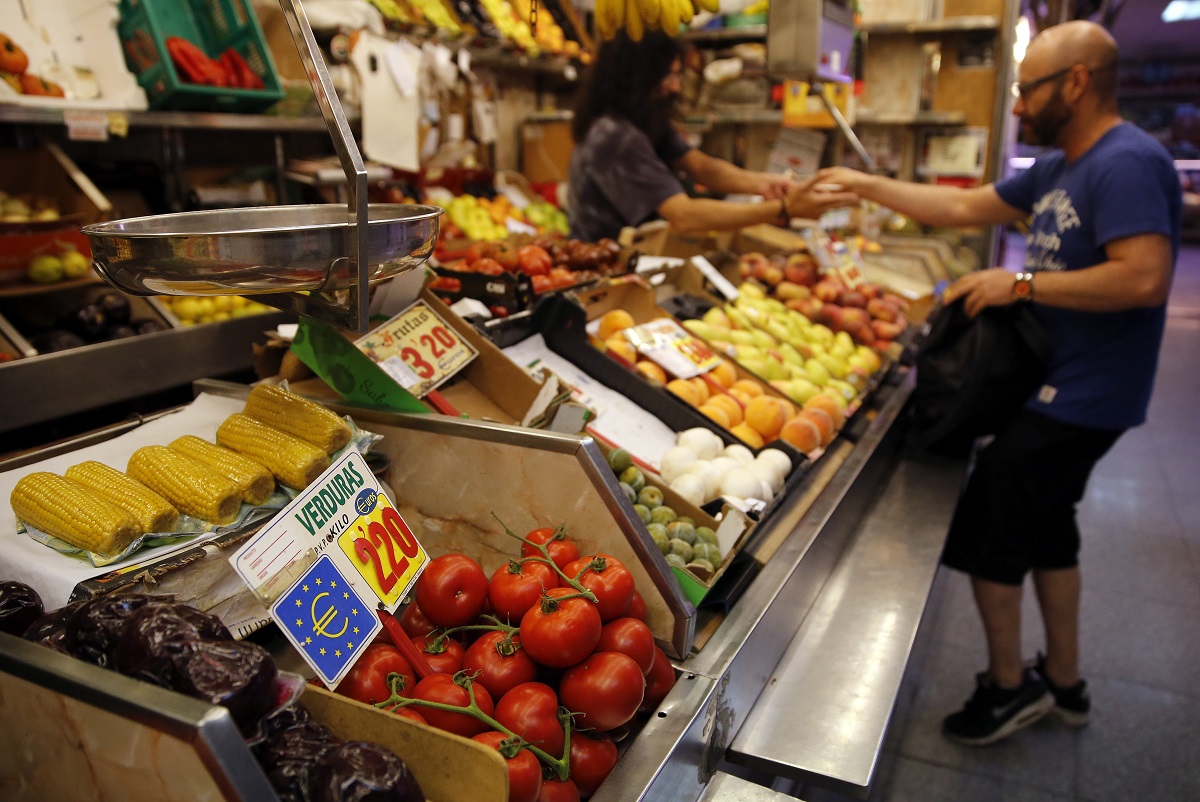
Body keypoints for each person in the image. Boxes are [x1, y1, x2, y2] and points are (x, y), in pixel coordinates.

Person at [818, 20, 1182, 746]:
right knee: (1050, 525)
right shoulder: (1056, 167)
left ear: (1076, 82)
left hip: (1087, 394)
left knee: (992, 523)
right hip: (1059, 380)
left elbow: (1144, 277)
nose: (1016, 106)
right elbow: (959, 208)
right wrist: (863, 183)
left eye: (1027, 90)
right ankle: (1068, 684)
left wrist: (1021, 283)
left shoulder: (1126, 162)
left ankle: (1009, 688)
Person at [567, 30, 856, 243]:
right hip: (605, 270)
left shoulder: (641, 119)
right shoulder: (616, 137)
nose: (675, 88)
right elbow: (683, 216)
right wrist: (781, 209)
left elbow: (702, 166)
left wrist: (769, 184)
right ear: (635, 77)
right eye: (668, 77)